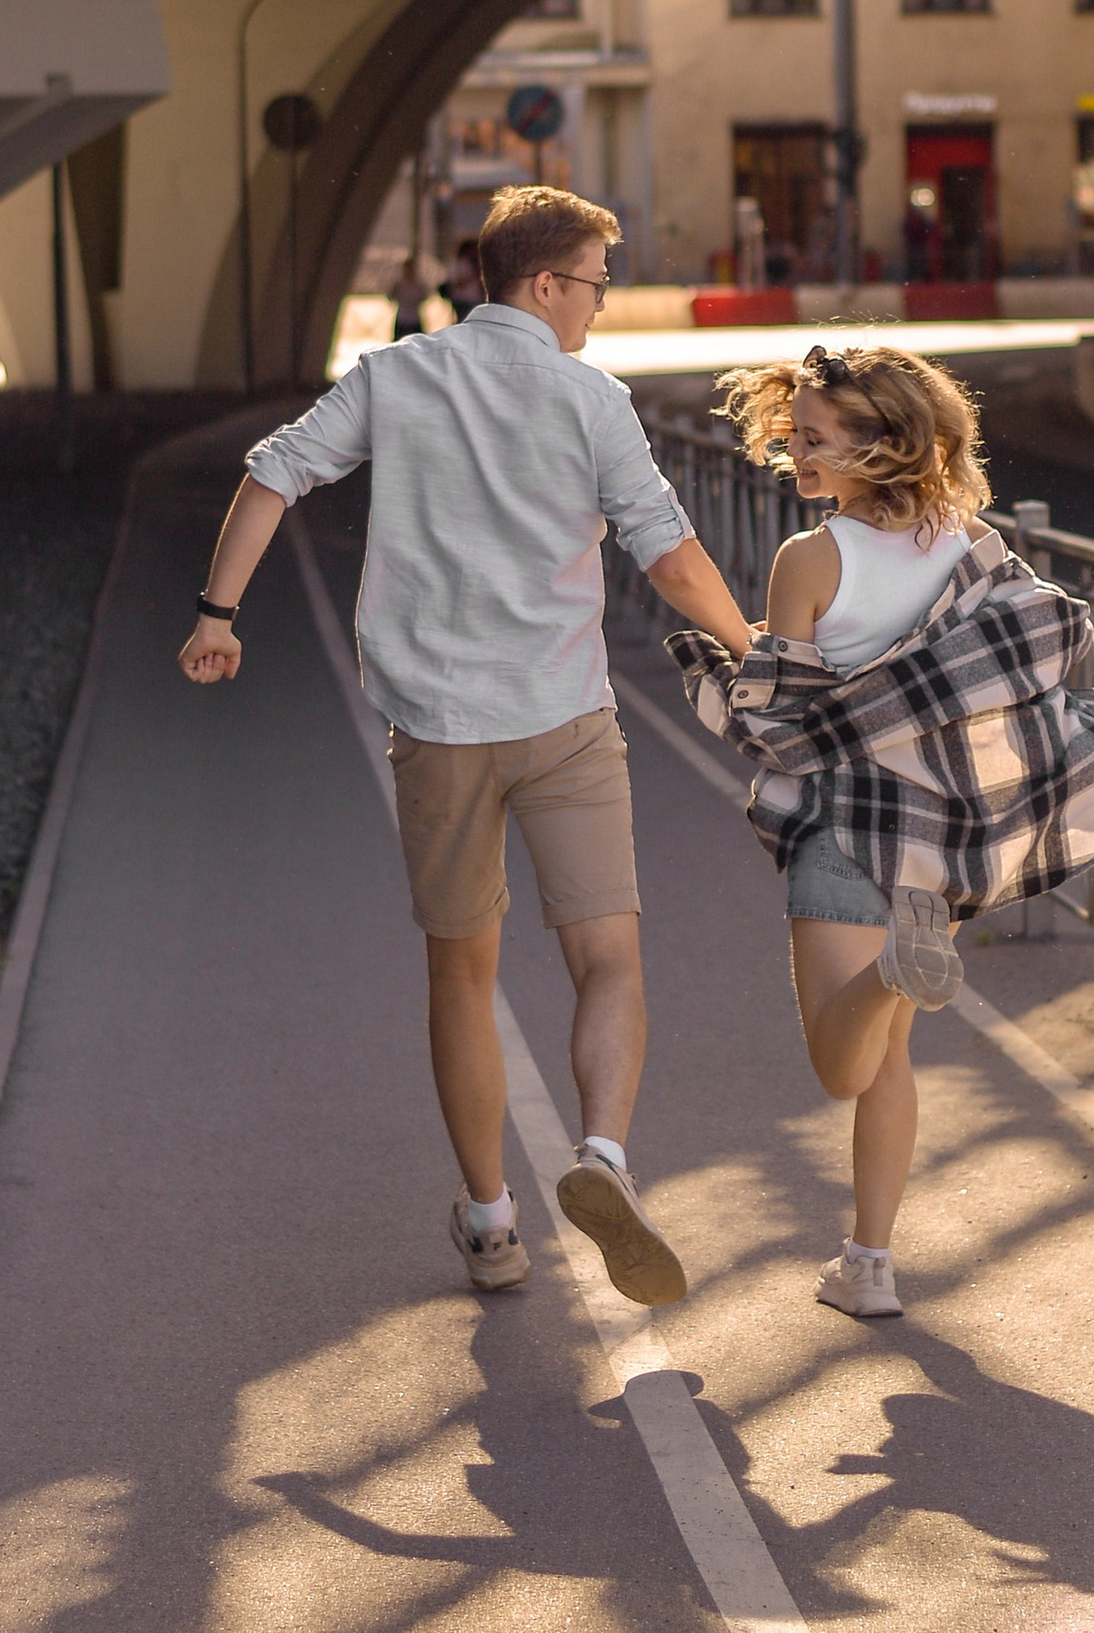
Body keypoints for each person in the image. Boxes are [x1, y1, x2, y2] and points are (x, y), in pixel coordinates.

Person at [179, 183, 751, 1305]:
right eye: (592, 283)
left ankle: (491, 1220)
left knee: (462, 971)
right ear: (544, 284)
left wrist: (216, 616)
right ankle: (603, 1157)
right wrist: (756, 644)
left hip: (438, 728)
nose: (597, 305)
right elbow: (671, 559)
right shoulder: (591, 399)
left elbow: (271, 475)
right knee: (609, 959)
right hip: (565, 719)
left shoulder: (397, 377)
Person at [678, 343, 1094, 1323]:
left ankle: (893, 973)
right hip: (943, 841)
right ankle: (869, 1263)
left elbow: (786, 718)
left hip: (851, 828)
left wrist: (720, 684)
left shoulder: (809, 560)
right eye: (792, 435)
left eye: (816, 439)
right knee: (890, 1065)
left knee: (840, 1060)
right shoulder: (976, 547)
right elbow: (1018, 668)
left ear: (882, 445)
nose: (795, 454)